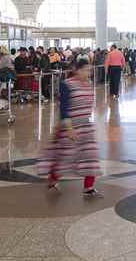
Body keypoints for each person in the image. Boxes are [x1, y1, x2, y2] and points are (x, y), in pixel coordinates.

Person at [41, 59, 103, 198]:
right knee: (66, 157)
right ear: (77, 70)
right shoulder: (67, 84)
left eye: (89, 70)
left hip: (86, 126)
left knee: (91, 156)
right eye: (85, 70)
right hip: (70, 126)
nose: (88, 73)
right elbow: (64, 109)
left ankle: (89, 187)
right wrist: (69, 129)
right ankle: (53, 179)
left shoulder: (89, 84)